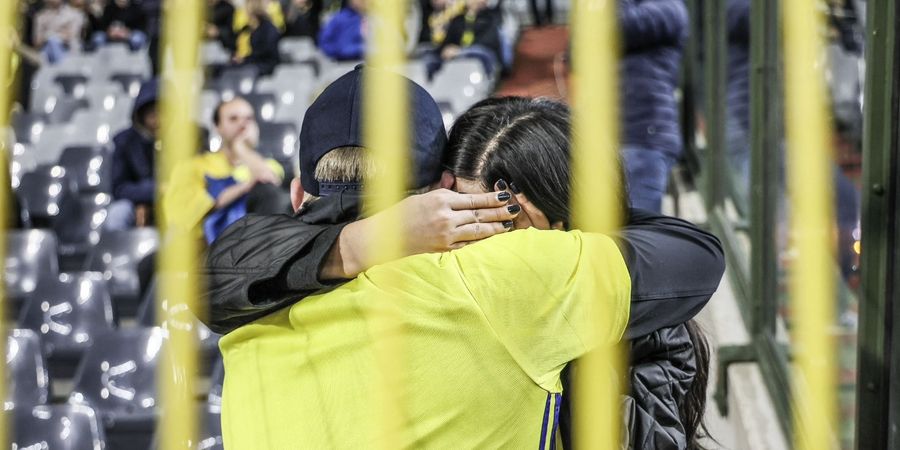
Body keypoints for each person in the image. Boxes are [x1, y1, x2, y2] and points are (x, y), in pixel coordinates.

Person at [211, 69, 724, 447]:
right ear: (440, 195)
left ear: (298, 194)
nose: (487, 245)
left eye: (502, 225)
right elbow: (698, 255)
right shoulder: (506, 283)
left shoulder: (243, 331)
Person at [163, 96, 290, 244]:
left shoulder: (266, 164)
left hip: (255, 241)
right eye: (233, 119)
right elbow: (183, 214)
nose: (243, 124)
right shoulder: (193, 166)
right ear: (218, 127)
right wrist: (244, 187)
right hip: (205, 245)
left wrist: (242, 150)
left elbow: (269, 184)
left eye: (248, 119)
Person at [618, 0, 689, 213]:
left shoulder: (668, 6)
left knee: (635, 233)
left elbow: (616, 27)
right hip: (612, 137)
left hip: (643, 138)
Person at [108, 79, 159, 230]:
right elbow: (119, 188)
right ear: (141, 115)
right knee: (118, 213)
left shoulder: (188, 138)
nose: (159, 120)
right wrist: (146, 198)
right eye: (153, 114)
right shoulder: (125, 141)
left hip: (178, 202)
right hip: (137, 201)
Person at [429, 0, 504, 76]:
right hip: (458, 57)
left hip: (481, 55)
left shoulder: (490, 17)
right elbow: (448, 42)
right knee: (430, 58)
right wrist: (444, 49)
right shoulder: (458, 19)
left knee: (479, 52)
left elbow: (488, 42)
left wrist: (460, 51)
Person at [231, 0, 281, 76]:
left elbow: (266, 52)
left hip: (265, 65)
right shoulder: (251, 28)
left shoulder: (268, 28)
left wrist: (245, 59)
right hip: (255, 63)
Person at [32, 0, 86, 64]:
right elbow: (37, 42)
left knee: (53, 40)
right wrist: (51, 35)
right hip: (48, 55)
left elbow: (71, 36)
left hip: (69, 51)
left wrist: (50, 34)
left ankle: (62, 67)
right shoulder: (40, 17)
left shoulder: (75, 14)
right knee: (51, 43)